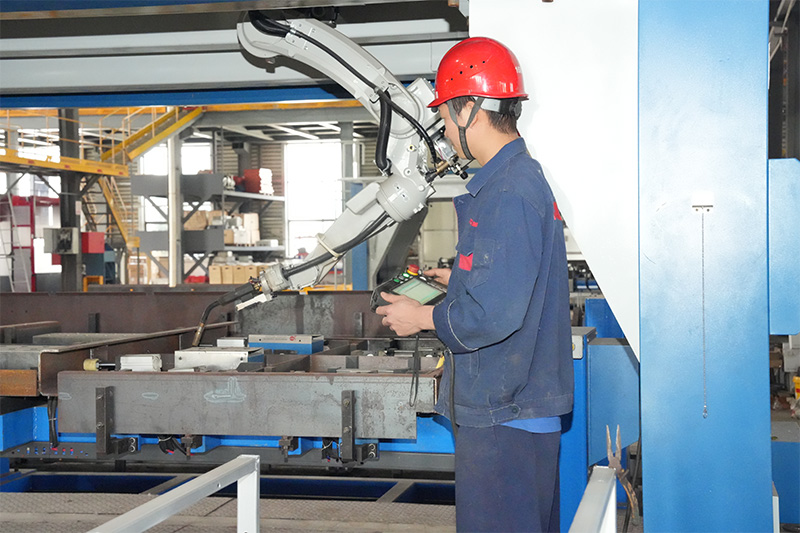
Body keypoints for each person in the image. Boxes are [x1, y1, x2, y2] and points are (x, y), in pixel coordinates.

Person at [375, 37, 573, 533]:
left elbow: (496, 314)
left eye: (446, 116)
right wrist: (461, 277)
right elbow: (514, 279)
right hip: (514, 407)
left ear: (470, 110)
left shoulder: (508, 191)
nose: (445, 129)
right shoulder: (518, 179)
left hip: (504, 412)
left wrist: (421, 317)